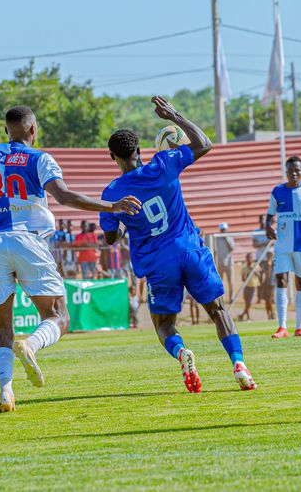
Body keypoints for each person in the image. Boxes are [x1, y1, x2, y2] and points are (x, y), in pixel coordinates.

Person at [0, 105, 141, 413]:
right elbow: (64, 197)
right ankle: (32, 345)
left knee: (3, 330)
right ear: (33, 130)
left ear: (5, 131)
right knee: (59, 316)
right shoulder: (41, 158)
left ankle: (5, 390)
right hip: (27, 240)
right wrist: (113, 207)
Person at [100, 96, 255, 392]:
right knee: (219, 311)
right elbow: (204, 143)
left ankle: (182, 353)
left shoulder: (112, 192)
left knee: (164, 326)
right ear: (139, 150)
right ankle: (239, 365)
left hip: (159, 264)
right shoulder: (164, 163)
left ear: (113, 157)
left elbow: (110, 238)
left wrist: (120, 217)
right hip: (190, 250)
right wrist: (175, 115)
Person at [265, 155, 301, 338]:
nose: (294, 174)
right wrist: (268, 226)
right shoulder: (277, 191)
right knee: (281, 280)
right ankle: (282, 327)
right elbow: (269, 215)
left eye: (297, 170)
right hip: (282, 244)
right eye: (291, 170)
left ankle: (300, 327)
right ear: (286, 171)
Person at [214, 223, 235, 298]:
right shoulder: (217, 238)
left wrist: (226, 239)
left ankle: (231, 298)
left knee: (231, 282)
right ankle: (220, 297)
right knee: (220, 281)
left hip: (229, 263)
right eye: (222, 229)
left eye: (224, 229)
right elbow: (215, 250)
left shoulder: (230, 237)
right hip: (220, 262)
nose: (223, 231)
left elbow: (232, 248)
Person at [238, 252, 258, 321]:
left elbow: (259, 275)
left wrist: (252, 269)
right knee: (247, 302)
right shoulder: (244, 267)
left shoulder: (255, 265)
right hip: (246, 286)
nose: (250, 259)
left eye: (251, 258)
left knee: (249, 303)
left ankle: (242, 315)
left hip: (253, 286)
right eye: (248, 258)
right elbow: (243, 279)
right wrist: (247, 275)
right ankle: (247, 317)